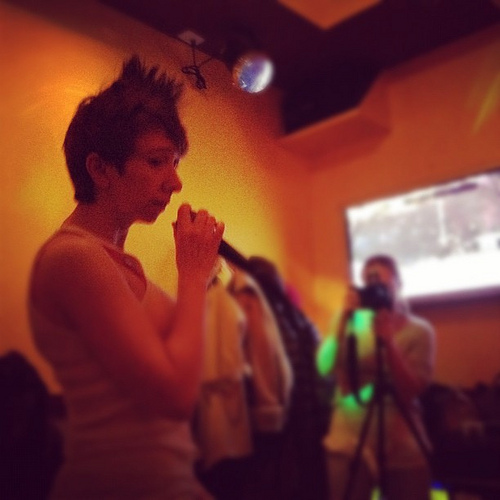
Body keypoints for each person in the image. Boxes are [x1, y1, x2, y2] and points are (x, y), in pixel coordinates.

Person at [27, 55, 224, 499]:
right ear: (100, 169)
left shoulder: (120, 267)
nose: (175, 183)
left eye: (175, 163)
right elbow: (175, 397)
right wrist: (193, 273)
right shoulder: (73, 258)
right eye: (156, 162)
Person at [318, 254, 436, 500]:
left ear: (399, 284)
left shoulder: (420, 331)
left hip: (401, 440)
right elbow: (324, 367)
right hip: (347, 438)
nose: (377, 292)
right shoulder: (349, 322)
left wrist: (389, 341)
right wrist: (342, 323)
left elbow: (411, 390)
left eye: (383, 285)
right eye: (369, 285)